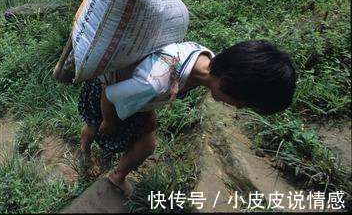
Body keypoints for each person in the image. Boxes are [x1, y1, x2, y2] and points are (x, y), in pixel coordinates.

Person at [74, 39, 297, 197]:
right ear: (228, 81)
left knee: (147, 145)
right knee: (95, 127)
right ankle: (84, 148)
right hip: (106, 95)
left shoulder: (204, 57)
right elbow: (109, 95)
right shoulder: (157, 82)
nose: (238, 107)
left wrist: (149, 110)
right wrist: (109, 121)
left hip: (137, 94)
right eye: (244, 102)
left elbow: (149, 68)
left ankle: (116, 177)